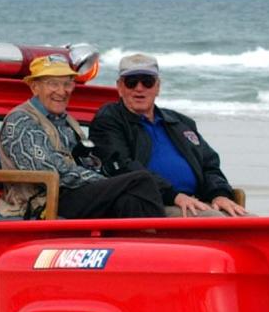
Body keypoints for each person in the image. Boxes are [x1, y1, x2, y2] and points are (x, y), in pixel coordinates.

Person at [0, 54, 163, 220]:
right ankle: (163, 231)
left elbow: (86, 162)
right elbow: (51, 172)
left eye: (67, 84)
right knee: (141, 179)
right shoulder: (21, 120)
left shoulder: (67, 121)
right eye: (53, 84)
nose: (62, 91)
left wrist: (103, 173)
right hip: (43, 202)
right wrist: (104, 182)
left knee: (128, 201)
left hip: (73, 193)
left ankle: (146, 237)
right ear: (34, 87)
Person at [91, 53, 247, 217]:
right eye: (131, 82)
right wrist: (173, 196)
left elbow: (209, 164)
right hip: (150, 206)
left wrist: (219, 194)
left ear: (157, 87)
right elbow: (122, 167)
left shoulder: (180, 122)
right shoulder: (109, 120)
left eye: (147, 81)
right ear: (120, 87)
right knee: (215, 220)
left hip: (196, 201)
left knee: (251, 222)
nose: (139, 88)